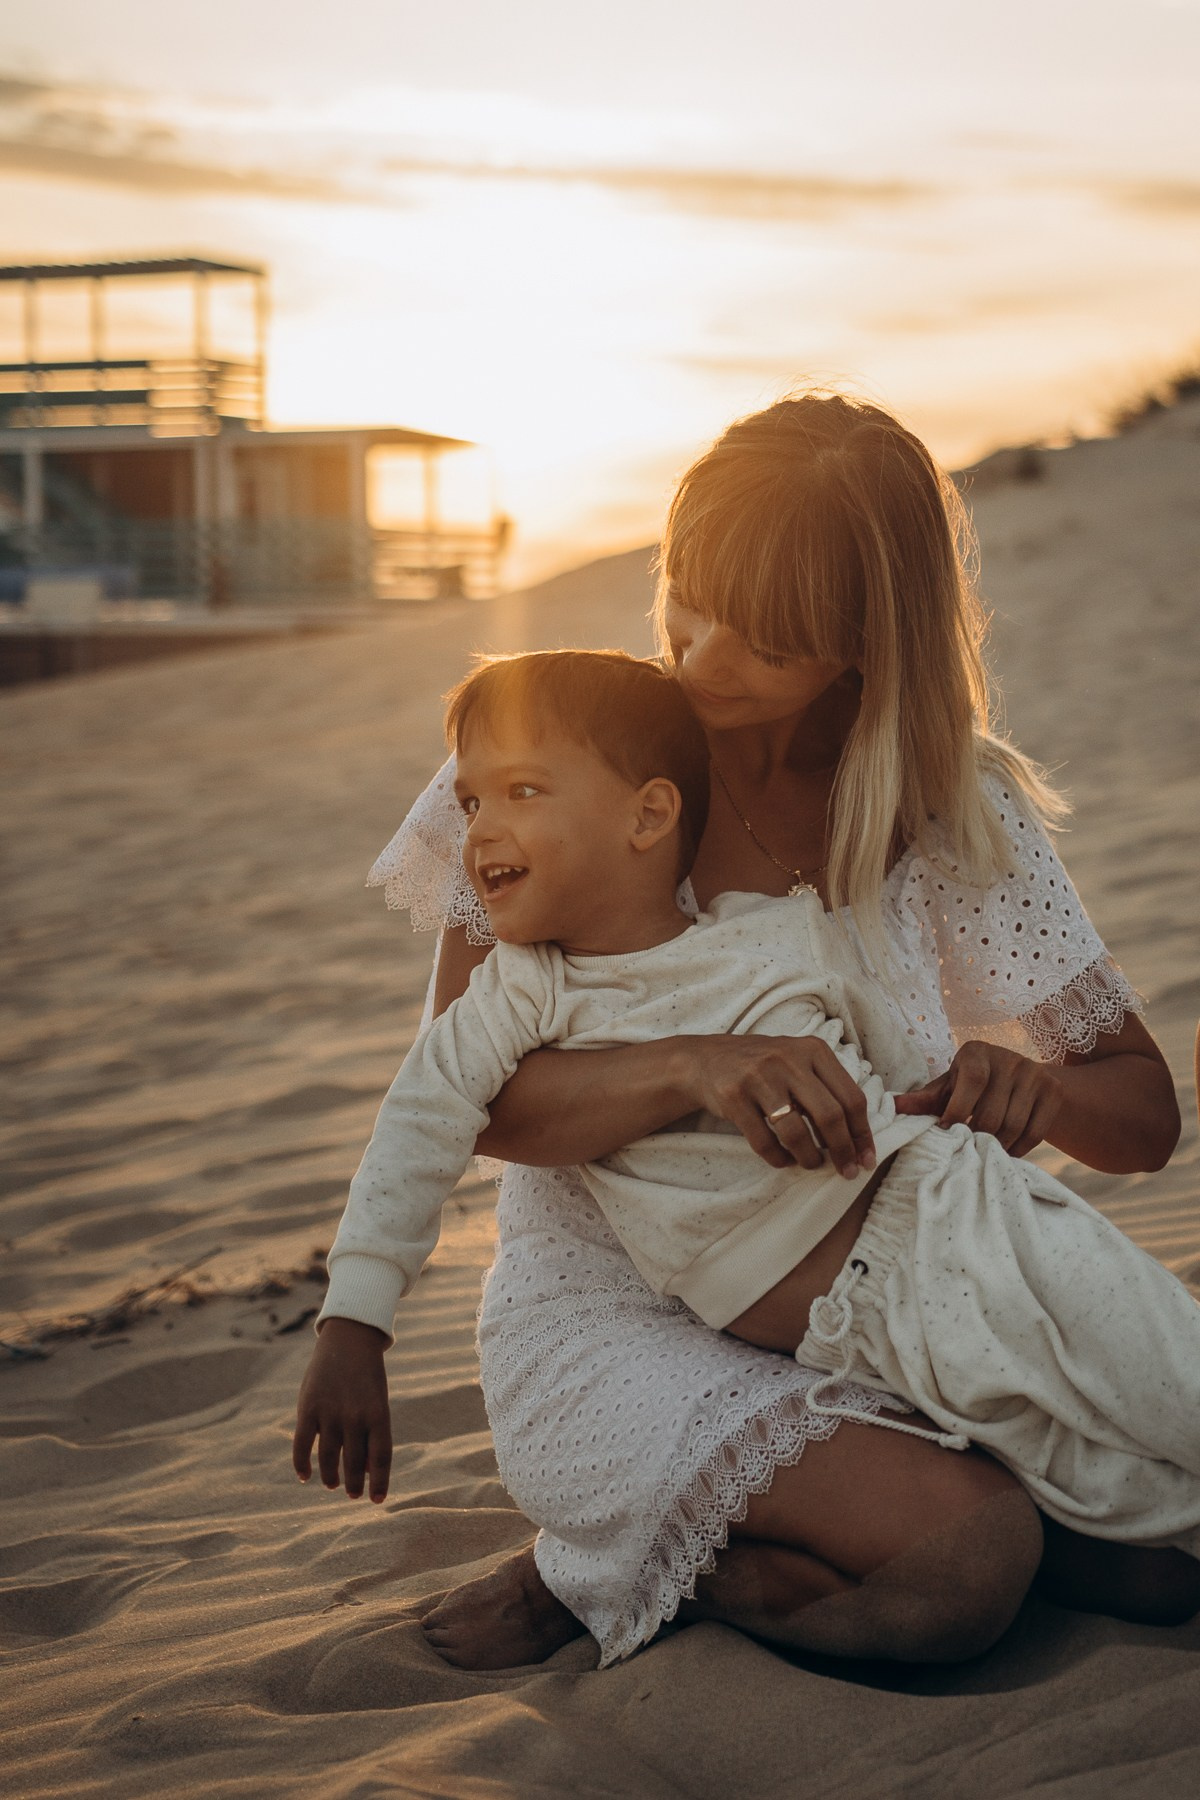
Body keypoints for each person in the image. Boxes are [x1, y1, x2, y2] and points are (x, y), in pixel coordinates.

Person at [298, 394, 1184, 1669]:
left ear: (862, 646)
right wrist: (693, 1070)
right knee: (970, 1571)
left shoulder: (953, 808)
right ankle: (626, 1563)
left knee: (1156, 1582)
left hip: (886, 1306)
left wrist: (1034, 1094)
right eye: (686, 602)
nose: (700, 657)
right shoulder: (563, 760)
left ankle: (738, 1526)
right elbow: (474, 1097)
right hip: (615, 1317)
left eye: (758, 641)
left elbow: (1140, 1110)